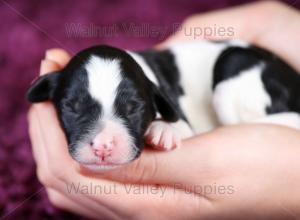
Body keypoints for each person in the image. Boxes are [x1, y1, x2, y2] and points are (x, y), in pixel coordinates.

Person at [28, 1, 300, 219]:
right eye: (76, 109)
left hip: (256, 75)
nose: (101, 143)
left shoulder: (152, 90)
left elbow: (179, 125)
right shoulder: (138, 85)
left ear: (154, 101)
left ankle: (279, 123)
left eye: (131, 108)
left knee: (230, 95)